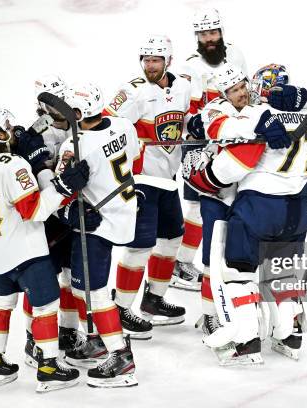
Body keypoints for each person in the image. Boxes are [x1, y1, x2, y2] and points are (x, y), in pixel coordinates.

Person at [183, 63, 307, 365]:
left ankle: (246, 343)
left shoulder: (257, 116)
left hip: (257, 207)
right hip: (296, 209)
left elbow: (234, 165)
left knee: (238, 273)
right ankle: (289, 336)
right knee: (281, 272)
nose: (246, 92)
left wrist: (206, 179)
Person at [0, 106, 89, 391]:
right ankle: (48, 367)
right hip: (24, 251)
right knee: (46, 306)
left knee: (0, 304)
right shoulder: (14, 166)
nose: (13, 131)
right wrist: (62, 187)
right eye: (8, 128)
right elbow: (34, 210)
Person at [102, 35, 191, 340]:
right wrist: (130, 142)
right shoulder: (132, 92)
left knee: (172, 238)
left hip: (167, 179)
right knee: (140, 246)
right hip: (140, 181)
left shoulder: (182, 86)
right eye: (146, 60)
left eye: (156, 60)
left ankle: (154, 298)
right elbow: (104, 124)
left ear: (168, 60)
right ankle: (121, 309)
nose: (150, 66)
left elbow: (184, 121)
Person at [56, 82, 140, 387]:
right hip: (124, 209)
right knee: (86, 286)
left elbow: (62, 190)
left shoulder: (74, 146)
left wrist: (65, 212)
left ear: (79, 112)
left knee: (93, 291)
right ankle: (96, 339)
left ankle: (120, 357)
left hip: (95, 221)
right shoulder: (122, 124)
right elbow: (134, 155)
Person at [172, 7, 249, 292]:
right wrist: (200, 127)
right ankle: (182, 262)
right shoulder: (190, 66)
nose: (209, 39)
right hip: (199, 142)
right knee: (196, 206)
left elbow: (245, 91)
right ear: (197, 37)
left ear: (221, 32)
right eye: (204, 34)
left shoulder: (236, 54)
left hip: (231, 138)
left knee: (229, 198)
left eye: (213, 32)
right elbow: (188, 112)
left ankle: (222, 257)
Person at [21, 74, 83, 368]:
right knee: (41, 283)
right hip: (45, 218)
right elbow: (44, 180)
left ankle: (68, 332)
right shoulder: (37, 136)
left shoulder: (75, 125)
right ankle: (33, 338)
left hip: (69, 213)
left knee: (70, 277)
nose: (60, 106)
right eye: (52, 102)